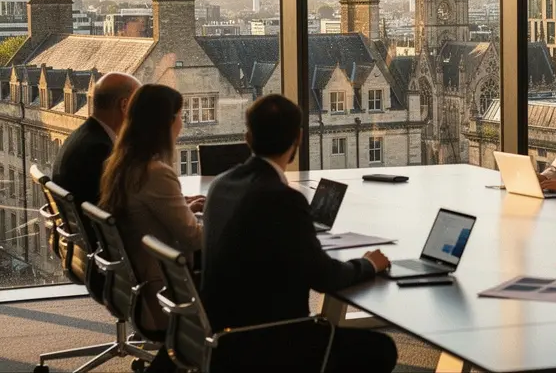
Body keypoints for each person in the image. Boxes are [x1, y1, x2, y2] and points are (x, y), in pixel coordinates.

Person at [201, 94, 396, 373]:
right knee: (381, 349)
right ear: (299, 138)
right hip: (269, 343)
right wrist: (368, 264)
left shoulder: (220, 185)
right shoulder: (282, 199)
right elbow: (325, 277)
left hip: (222, 337)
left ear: (248, 138)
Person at [98, 84, 203, 373]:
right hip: (166, 291)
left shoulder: (121, 164)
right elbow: (194, 238)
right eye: (181, 115)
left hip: (140, 283)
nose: (183, 122)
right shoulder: (157, 173)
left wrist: (181, 204)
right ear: (167, 122)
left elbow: (145, 210)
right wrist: (228, 223)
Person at [52, 72, 140, 246]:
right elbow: (122, 213)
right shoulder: (99, 149)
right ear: (124, 105)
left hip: (86, 246)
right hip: (104, 249)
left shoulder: (83, 136)